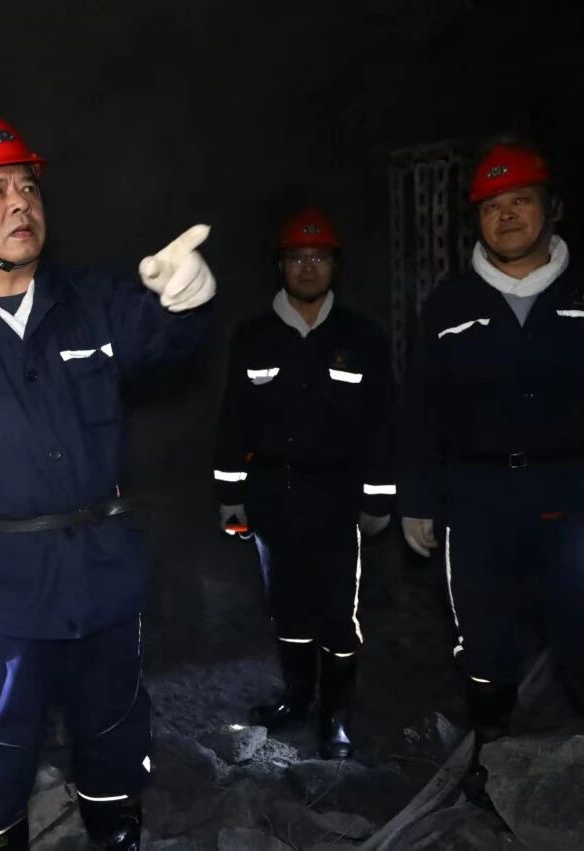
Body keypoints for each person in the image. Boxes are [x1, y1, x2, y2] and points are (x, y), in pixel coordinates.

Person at [0, 108, 215, 850]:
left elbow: (168, 338)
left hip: (102, 574)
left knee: (115, 739)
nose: (19, 203)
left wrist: (186, 298)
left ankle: (114, 831)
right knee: (0, 756)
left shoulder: (94, 304)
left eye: (27, 186)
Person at [398, 142, 584, 804]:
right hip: (481, 496)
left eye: (521, 200)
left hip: (580, 493)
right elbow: (422, 408)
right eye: (492, 207)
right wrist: (418, 497)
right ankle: (491, 755)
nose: (507, 216)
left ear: (554, 208)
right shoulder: (450, 303)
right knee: (484, 635)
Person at [213, 208, 394, 759]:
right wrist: (230, 495)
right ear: (281, 266)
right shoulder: (253, 337)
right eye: (297, 258)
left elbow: (384, 420)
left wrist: (379, 495)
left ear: (335, 265)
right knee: (287, 606)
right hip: (273, 494)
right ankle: (297, 698)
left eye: (318, 257)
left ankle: (336, 716)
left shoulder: (362, 336)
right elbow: (233, 419)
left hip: (338, 496)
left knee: (337, 611)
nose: (308, 267)